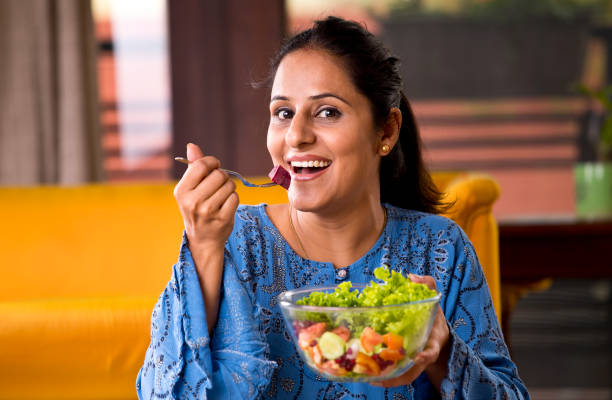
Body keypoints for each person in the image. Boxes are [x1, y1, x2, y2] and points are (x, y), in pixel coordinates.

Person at [137, 16, 530, 400]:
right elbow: (160, 392)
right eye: (283, 113)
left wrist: (443, 353)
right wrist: (204, 249)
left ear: (386, 131)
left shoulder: (441, 249)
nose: (296, 136)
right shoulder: (232, 241)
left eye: (327, 112)